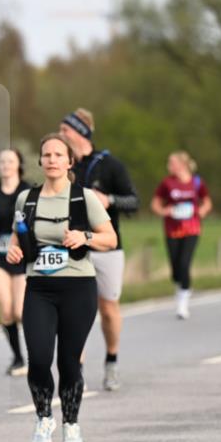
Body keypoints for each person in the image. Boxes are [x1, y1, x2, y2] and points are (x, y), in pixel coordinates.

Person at [6, 134, 117, 442]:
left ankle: (71, 423)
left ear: (70, 162)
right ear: (40, 162)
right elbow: (18, 238)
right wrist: (14, 252)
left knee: (69, 362)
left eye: (58, 155)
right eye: (47, 155)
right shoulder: (26, 199)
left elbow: (109, 238)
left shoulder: (84, 197)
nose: (52, 159)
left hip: (78, 288)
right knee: (39, 358)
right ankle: (44, 419)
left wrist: (85, 236)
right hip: (39, 287)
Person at [58, 108, 138, 391]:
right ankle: (76, 371)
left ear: (80, 132)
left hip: (106, 246)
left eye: (65, 130)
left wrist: (110, 199)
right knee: (73, 310)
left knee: (107, 308)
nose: (60, 134)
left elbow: (133, 202)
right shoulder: (63, 166)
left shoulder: (110, 165)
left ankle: (112, 361)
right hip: (72, 247)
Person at [0, 149, 32, 375]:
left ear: (19, 164)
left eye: (10, 161)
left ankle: (35, 354)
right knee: (5, 310)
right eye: (2, 161)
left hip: (22, 253)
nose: (5, 164)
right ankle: (18, 358)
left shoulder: (28, 190)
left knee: (21, 311)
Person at [150, 151, 212, 319]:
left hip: (192, 228)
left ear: (183, 165)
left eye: (172, 163)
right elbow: (155, 203)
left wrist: (202, 211)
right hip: (172, 230)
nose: (169, 166)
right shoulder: (167, 183)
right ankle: (181, 284)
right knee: (176, 268)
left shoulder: (197, 182)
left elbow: (207, 201)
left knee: (185, 263)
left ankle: (183, 301)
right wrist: (164, 211)